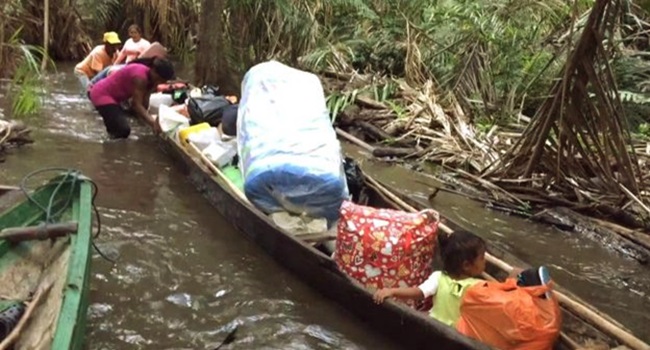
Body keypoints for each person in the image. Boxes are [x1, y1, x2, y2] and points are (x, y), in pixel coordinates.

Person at [373, 230, 487, 327]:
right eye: (482, 258)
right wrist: (392, 291)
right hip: (457, 333)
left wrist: (393, 291)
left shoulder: (439, 277)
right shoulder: (479, 286)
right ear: (466, 265)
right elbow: (419, 292)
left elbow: (418, 292)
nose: (484, 262)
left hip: (432, 325)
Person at [88, 57, 175, 139]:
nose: (159, 82)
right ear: (154, 71)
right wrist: (153, 123)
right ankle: (112, 149)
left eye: (163, 81)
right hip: (101, 94)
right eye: (159, 79)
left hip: (114, 97)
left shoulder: (151, 80)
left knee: (118, 128)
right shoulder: (140, 78)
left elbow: (144, 103)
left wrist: (149, 120)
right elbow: (136, 104)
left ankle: (112, 137)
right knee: (123, 130)